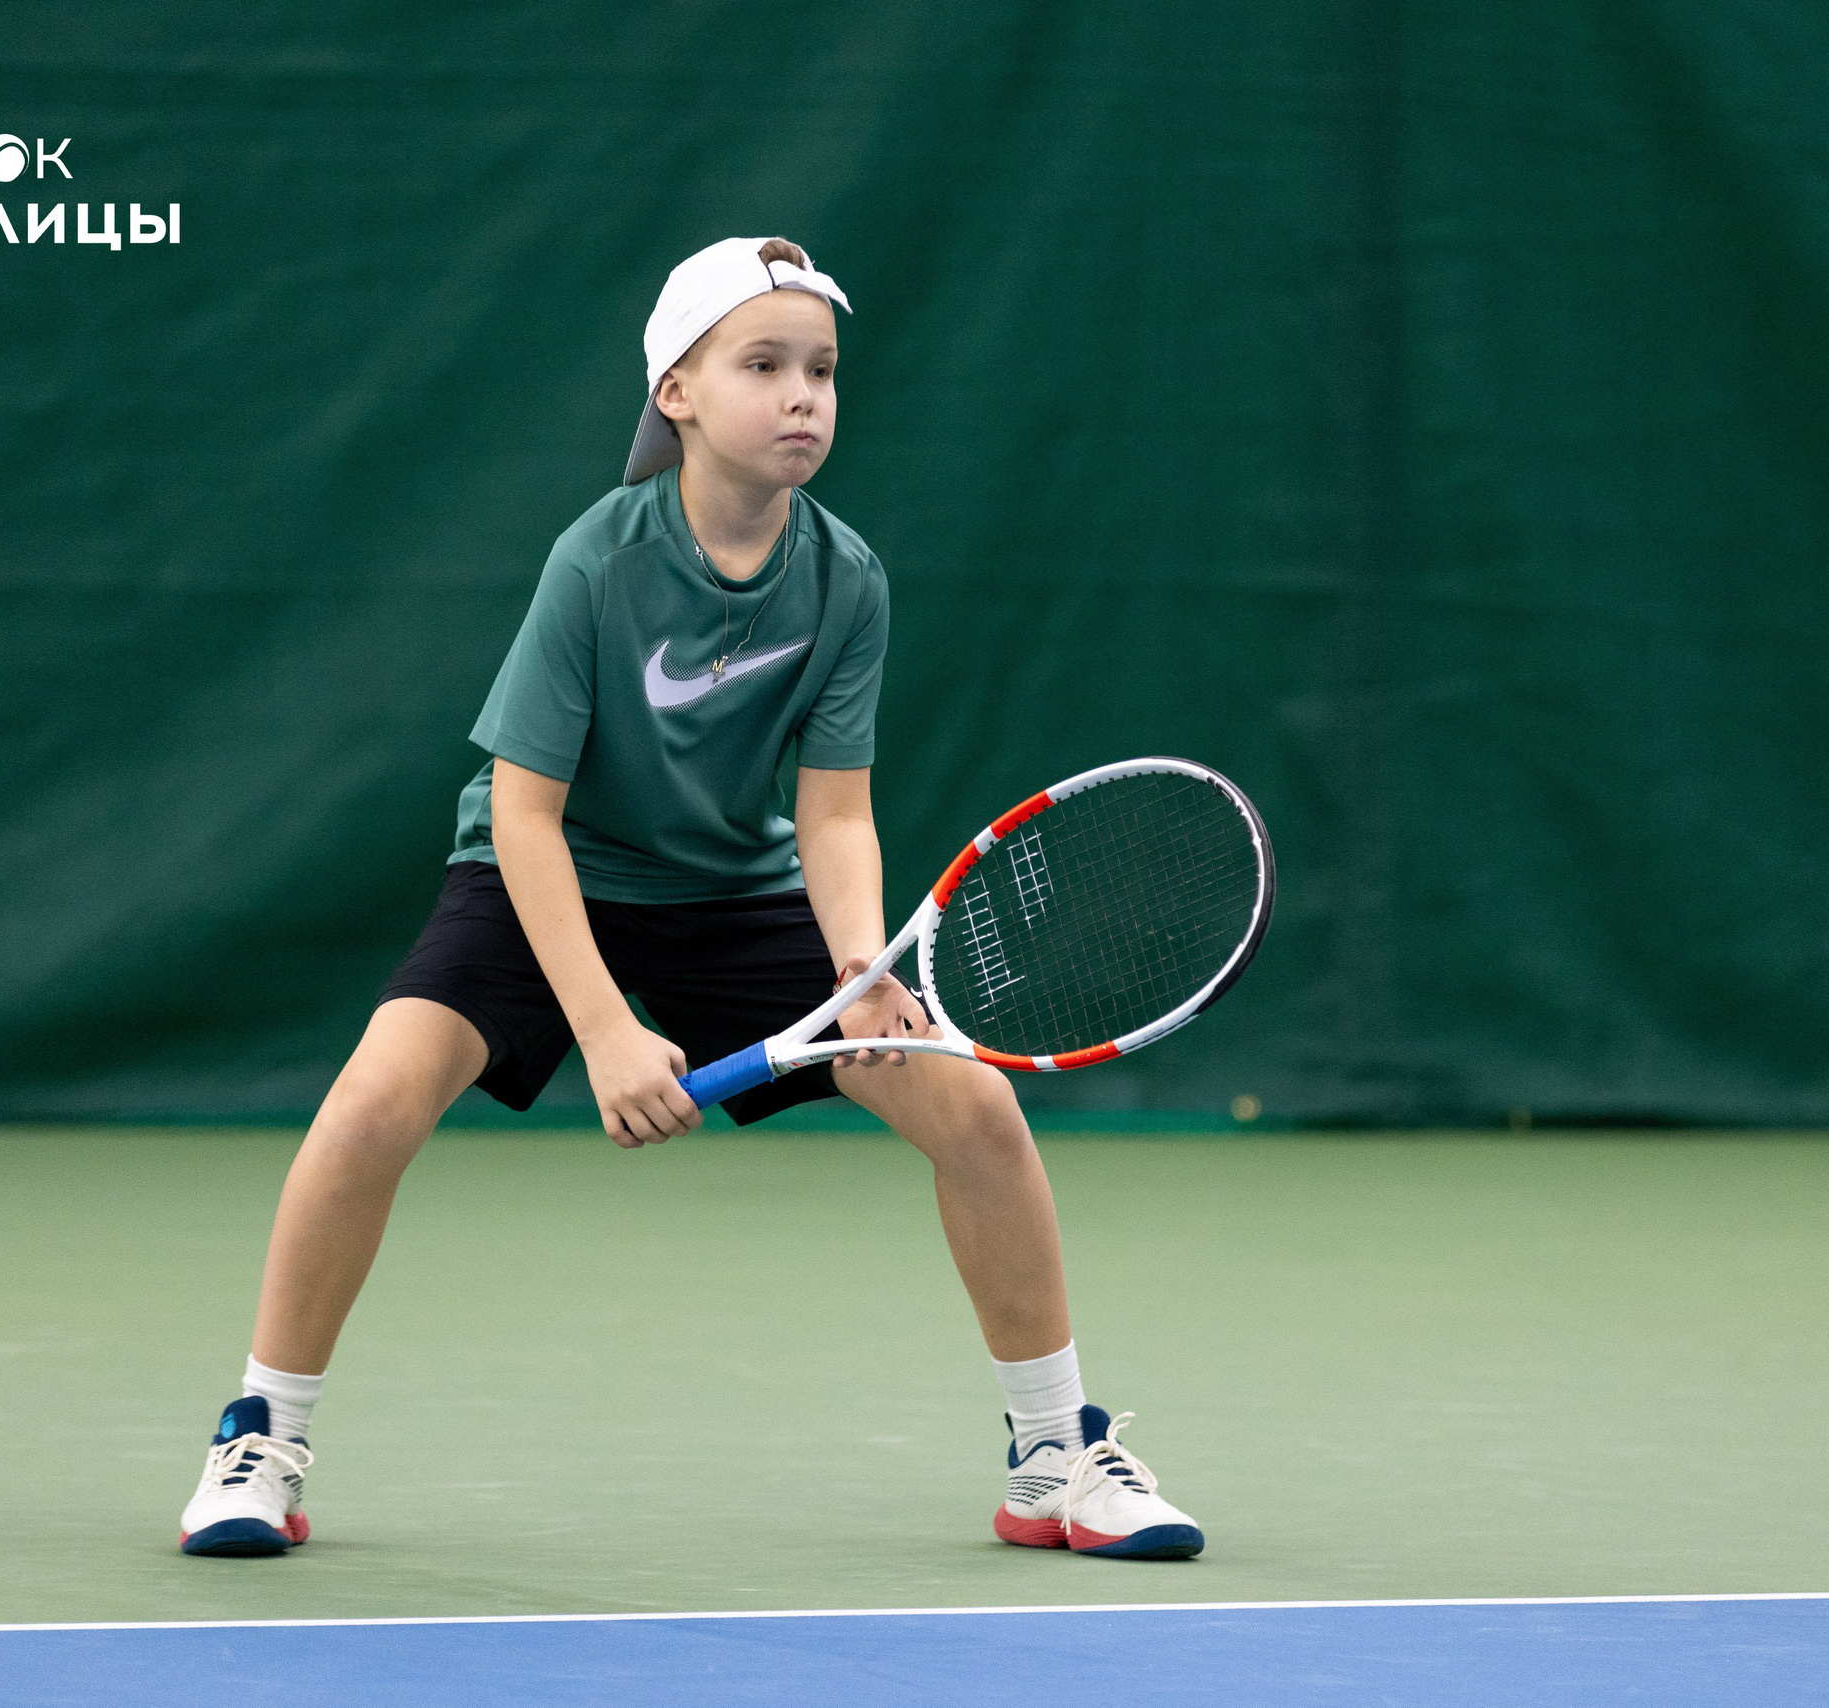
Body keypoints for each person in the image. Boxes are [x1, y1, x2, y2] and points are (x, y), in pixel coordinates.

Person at [177, 237, 1202, 1562]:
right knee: (374, 1101)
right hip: (545, 877)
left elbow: (833, 810)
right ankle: (261, 1435)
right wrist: (604, 1028)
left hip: (735, 889)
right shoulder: (597, 563)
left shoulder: (846, 577)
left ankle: (1057, 1457)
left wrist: (857, 965)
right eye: (762, 364)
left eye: (821, 370)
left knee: (977, 1108)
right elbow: (527, 815)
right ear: (676, 391)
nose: (802, 397)